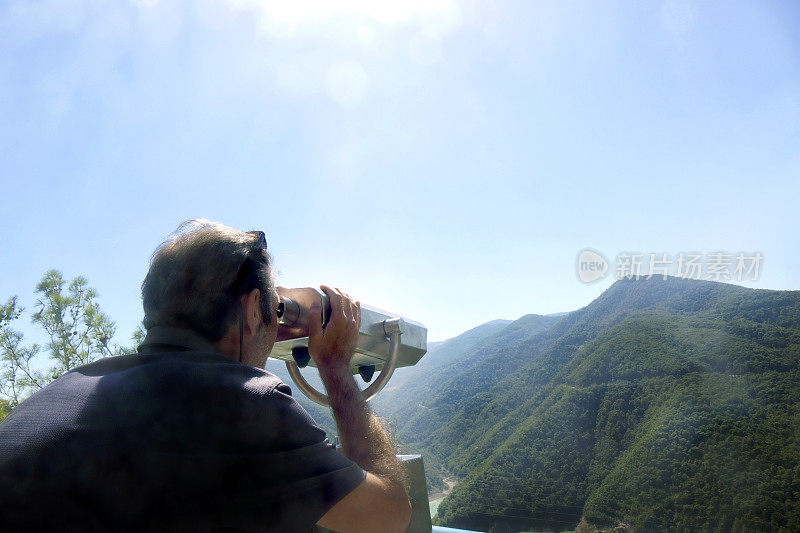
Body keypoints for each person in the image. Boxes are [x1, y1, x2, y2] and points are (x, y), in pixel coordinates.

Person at [0, 219, 412, 532]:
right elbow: (388, 515)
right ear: (252, 310)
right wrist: (336, 367)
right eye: (270, 308)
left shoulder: (62, 389)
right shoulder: (246, 403)